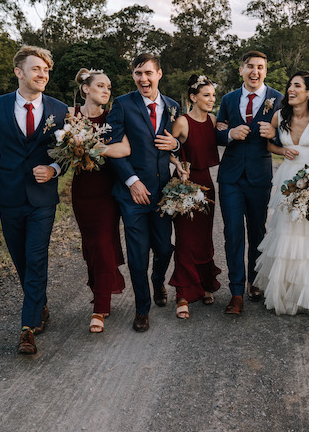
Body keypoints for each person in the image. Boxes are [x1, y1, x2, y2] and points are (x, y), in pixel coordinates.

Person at [0, 45, 69, 354]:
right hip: (8, 197)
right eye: (37, 69)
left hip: (42, 199)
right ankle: (40, 303)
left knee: (36, 257)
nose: (43, 75)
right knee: (21, 260)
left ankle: (28, 328)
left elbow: (67, 154)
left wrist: (53, 169)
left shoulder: (59, 109)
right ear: (19, 72)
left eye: (46, 70)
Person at [254, 71, 309, 324]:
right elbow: (269, 144)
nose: (290, 90)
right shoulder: (279, 116)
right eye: (289, 86)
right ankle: (285, 295)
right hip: (286, 180)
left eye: (297, 86)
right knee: (285, 233)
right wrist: (282, 150)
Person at [105, 53, 180, 333]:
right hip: (132, 195)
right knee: (137, 254)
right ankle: (142, 308)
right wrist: (132, 181)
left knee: (163, 248)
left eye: (148, 73)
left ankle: (158, 279)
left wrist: (175, 145)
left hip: (162, 194)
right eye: (138, 73)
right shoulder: (122, 105)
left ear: (159, 74)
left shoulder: (173, 106)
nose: (143, 79)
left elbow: (177, 147)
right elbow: (111, 147)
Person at [215, 51, 283, 315]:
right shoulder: (228, 99)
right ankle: (236, 292)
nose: (255, 72)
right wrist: (230, 133)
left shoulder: (277, 98)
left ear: (265, 71)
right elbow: (219, 131)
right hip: (231, 176)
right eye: (250, 67)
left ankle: (255, 280)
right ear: (241, 69)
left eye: (260, 67)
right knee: (233, 232)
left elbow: (289, 134)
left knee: (257, 231)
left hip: (259, 176)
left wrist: (274, 133)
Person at [69, 69, 132, 333]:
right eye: (101, 86)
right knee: (91, 244)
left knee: (105, 243)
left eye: (109, 87)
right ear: (85, 89)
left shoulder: (112, 117)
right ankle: (100, 290)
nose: (106, 91)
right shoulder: (71, 115)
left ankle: (100, 307)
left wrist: (93, 148)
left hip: (107, 188)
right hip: (82, 189)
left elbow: (124, 148)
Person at [167, 74, 223, 320]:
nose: (211, 99)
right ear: (193, 97)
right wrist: (178, 165)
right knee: (186, 240)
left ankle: (203, 285)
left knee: (203, 238)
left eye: (213, 95)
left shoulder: (212, 120)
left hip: (207, 184)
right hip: (186, 184)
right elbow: (166, 147)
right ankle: (183, 293)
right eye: (206, 95)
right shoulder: (182, 121)